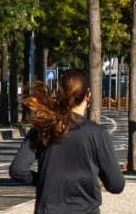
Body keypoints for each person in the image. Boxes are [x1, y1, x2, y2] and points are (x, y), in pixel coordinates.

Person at [10, 69, 125, 213]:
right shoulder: (97, 133)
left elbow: (18, 170)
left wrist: (43, 180)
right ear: (88, 96)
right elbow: (116, 185)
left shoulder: (42, 128)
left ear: (59, 95)